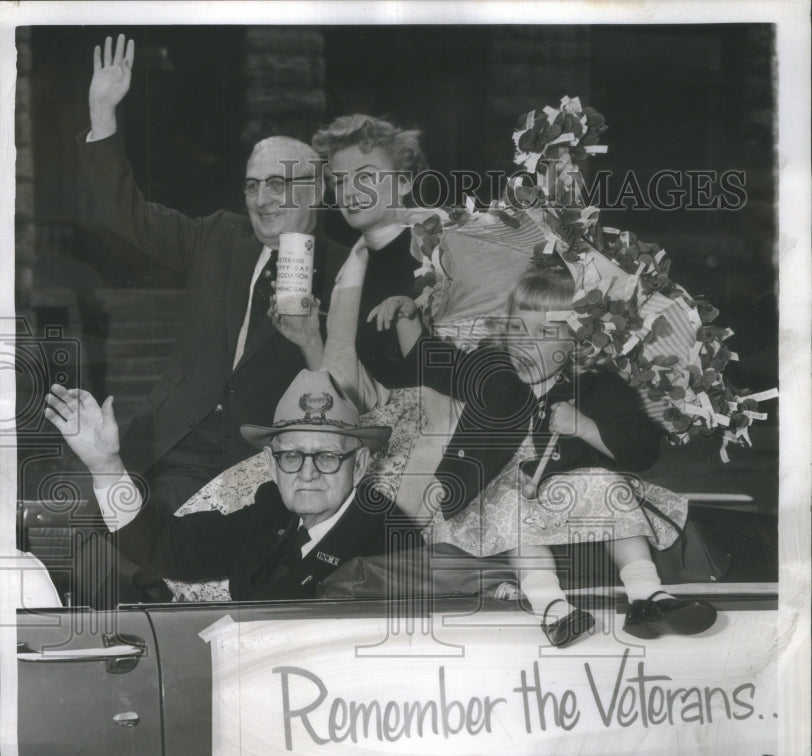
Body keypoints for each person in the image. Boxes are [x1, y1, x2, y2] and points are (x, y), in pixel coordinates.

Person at [78, 35, 349, 513]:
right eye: (252, 186)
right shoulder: (219, 236)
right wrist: (102, 112)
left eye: (278, 185)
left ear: (318, 189)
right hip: (165, 441)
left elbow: (348, 392)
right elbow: (126, 217)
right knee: (93, 527)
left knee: (159, 530)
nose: (261, 200)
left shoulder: (346, 269)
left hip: (257, 462)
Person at [424, 266, 717, 647]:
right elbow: (435, 368)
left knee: (609, 485)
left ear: (579, 341)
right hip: (493, 493)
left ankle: (646, 596)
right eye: (516, 329)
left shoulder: (598, 387)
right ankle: (552, 609)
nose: (526, 344)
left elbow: (642, 450)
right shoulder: (492, 374)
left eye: (545, 333)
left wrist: (586, 427)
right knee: (512, 505)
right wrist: (408, 322)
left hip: (563, 495)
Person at [313, 114, 529, 522]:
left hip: (461, 425)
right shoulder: (352, 267)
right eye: (339, 181)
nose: (350, 192)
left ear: (405, 182)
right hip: (385, 428)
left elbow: (493, 357)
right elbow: (346, 381)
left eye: (366, 176)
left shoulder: (444, 245)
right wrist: (309, 336)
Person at [44, 370, 417, 601]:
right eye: (291, 456)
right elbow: (164, 547)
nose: (307, 473)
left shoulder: (388, 538)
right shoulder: (273, 513)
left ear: (360, 464)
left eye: (327, 456)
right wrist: (106, 466)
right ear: (271, 465)